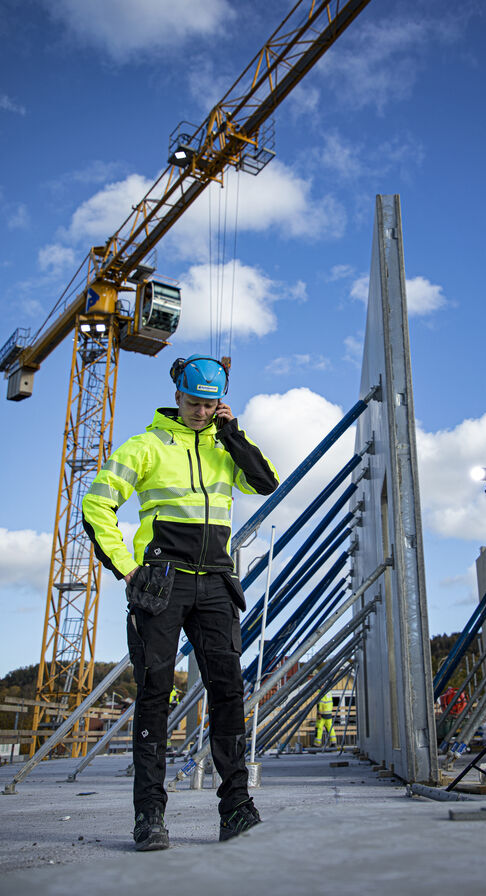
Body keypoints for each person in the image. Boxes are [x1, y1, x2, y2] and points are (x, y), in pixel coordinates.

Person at [81, 354, 279, 851]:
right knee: (154, 695)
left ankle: (236, 808)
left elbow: (265, 481)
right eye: (193, 403)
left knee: (229, 691)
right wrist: (128, 567)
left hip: (215, 582)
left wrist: (232, 434)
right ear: (177, 396)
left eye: (210, 405)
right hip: (162, 584)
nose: (200, 412)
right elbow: (96, 502)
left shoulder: (223, 445)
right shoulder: (146, 446)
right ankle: (149, 817)